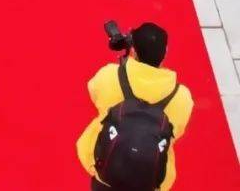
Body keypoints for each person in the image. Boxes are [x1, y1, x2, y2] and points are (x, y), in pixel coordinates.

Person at [76, 21, 193, 191]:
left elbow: (93, 92)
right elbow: (176, 132)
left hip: (106, 167)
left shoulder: (110, 75)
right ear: (165, 53)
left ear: (133, 50)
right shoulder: (181, 96)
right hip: (149, 177)